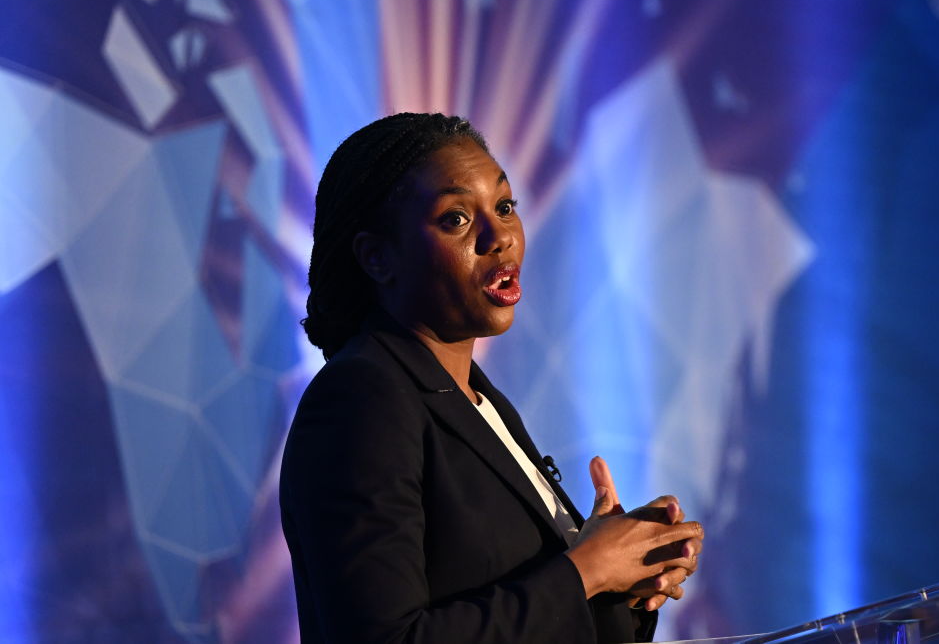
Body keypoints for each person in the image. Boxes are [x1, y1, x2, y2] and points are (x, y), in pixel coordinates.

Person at [279, 113, 703, 643]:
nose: (499, 236)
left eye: (504, 207)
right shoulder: (361, 400)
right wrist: (587, 570)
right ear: (378, 257)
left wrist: (623, 579)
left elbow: (524, 605)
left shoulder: (478, 400)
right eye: (456, 218)